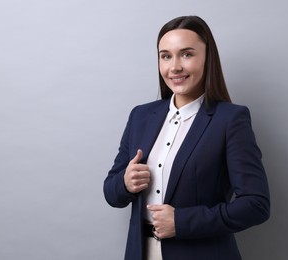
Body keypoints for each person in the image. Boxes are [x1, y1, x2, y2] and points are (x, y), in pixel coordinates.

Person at [103, 15, 270, 260]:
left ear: (207, 58)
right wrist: (126, 183)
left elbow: (256, 205)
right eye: (166, 56)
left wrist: (181, 221)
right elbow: (111, 192)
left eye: (187, 54)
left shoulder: (230, 119)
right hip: (141, 253)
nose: (175, 67)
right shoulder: (141, 116)